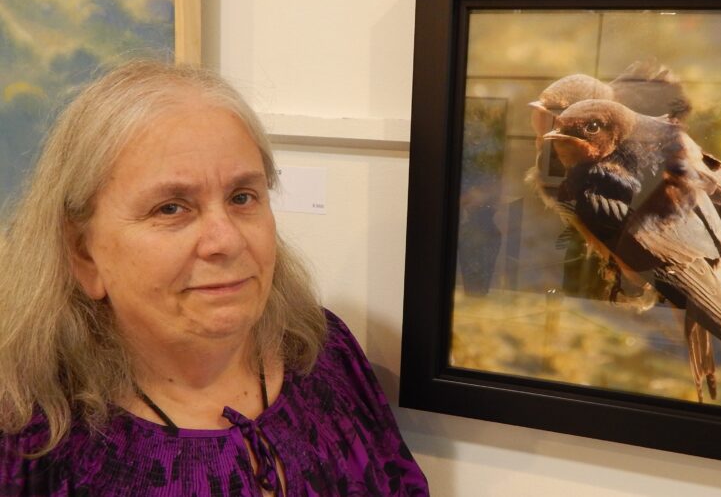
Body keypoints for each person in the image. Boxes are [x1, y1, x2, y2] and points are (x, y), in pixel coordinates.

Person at [0, 60, 429, 495]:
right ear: (83, 253)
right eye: (171, 207)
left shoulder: (323, 352)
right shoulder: (30, 434)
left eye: (243, 197)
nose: (225, 241)